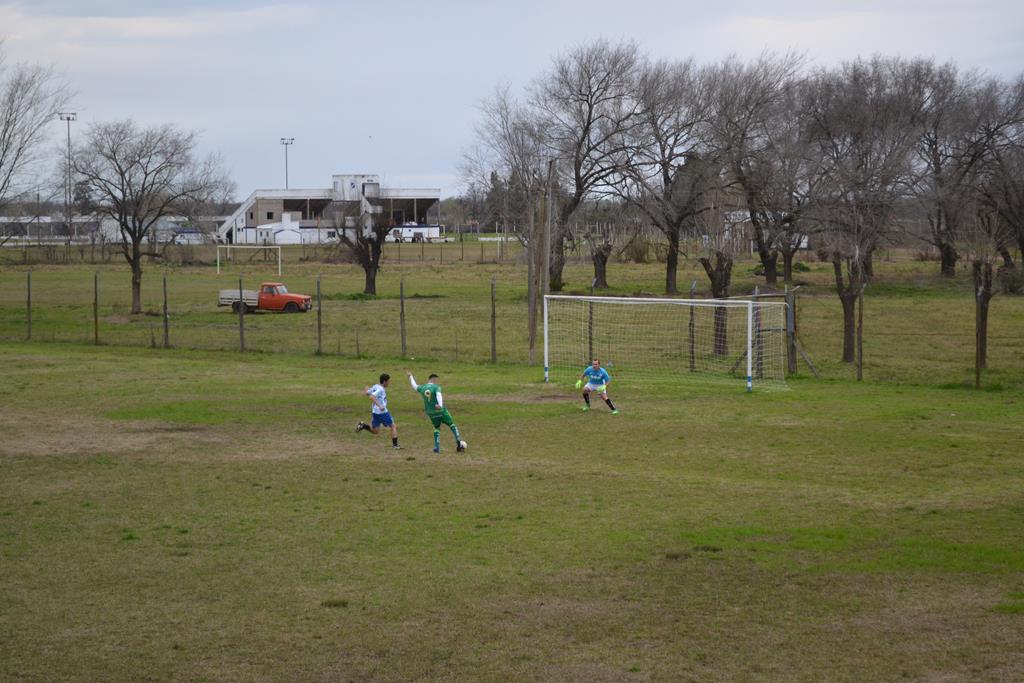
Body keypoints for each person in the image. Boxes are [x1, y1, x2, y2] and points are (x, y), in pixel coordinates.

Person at [407, 371, 465, 453]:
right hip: (440, 411)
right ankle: (458, 440)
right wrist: (440, 405)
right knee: (451, 424)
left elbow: (414, 386)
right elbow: (438, 395)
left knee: (437, 428)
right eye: (436, 380)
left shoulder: (423, 387)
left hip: (431, 413)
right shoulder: (436, 387)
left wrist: (411, 377)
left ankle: (437, 447)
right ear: (433, 379)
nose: (437, 382)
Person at [355, 373, 401, 449]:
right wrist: (380, 405)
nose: (389, 383)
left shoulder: (376, 386)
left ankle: (363, 426)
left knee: (375, 431)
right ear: (384, 381)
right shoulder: (380, 389)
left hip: (375, 412)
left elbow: (368, 393)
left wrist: (366, 390)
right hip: (382, 412)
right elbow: (372, 396)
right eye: (388, 381)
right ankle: (395, 445)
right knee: (393, 426)